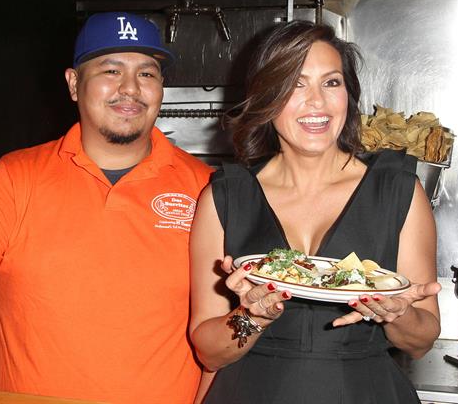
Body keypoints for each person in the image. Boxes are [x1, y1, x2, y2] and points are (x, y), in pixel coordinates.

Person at [0, 12, 212, 403]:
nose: (130, 88)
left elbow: (221, 339)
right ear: (74, 84)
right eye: (110, 70)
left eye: (147, 73)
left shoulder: (207, 187)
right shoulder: (14, 178)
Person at [189, 20, 441, 403]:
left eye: (331, 82)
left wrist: (397, 313)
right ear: (266, 96)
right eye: (295, 84)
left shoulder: (398, 191)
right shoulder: (224, 197)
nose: (317, 102)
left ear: (348, 95)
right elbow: (209, 352)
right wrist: (253, 317)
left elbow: (421, 341)